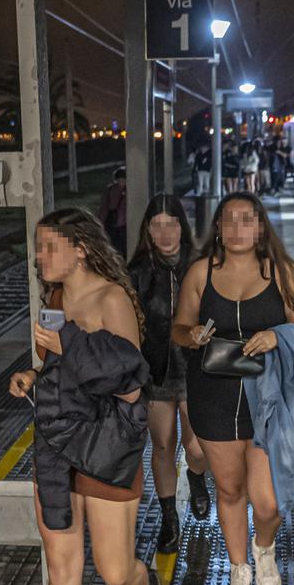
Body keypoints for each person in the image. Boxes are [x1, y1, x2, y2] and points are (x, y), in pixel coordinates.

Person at [8, 208, 166, 585]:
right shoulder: (53, 299)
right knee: (61, 568)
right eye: (38, 248)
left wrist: (70, 345)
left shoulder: (112, 299)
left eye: (49, 246)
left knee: (117, 572)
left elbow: (130, 380)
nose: (40, 256)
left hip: (105, 447)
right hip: (55, 445)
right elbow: (56, 366)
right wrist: (33, 373)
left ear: (80, 248)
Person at [172, 192, 294, 585]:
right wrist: (192, 335)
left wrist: (278, 335)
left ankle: (264, 547)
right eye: (228, 220)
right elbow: (178, 329)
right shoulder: (200, 273)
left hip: (267, 402)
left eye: (246, 220)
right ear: (217, 227)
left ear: (259, 227)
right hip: (212, 397)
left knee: (268, 502)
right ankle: (240, 572)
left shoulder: (283, 273)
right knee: (230, 490)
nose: (237, 228)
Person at [128, 194, 210, 552]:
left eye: (171, 224)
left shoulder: (201, 265)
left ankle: (196, 476)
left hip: (196, 372)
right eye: (157, 225)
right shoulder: (137, 272)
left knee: (198, 446)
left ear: (183, 226)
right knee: (162, 446)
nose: (165, 233)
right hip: (156, 375)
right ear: (147, 230)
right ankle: (169, 521)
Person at [97, 169, 128, 256]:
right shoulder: (110, 190)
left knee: (119, 247)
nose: (121, 182)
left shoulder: (111, 189)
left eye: (123, 179)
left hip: (121, 225)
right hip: (114, 224)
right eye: (120, 179)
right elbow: (104, 207)